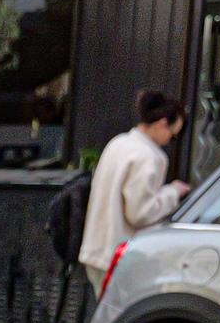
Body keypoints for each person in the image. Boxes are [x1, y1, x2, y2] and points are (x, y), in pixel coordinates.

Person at [79, 90, 190, 296]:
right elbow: (140, 213)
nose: (170, 141)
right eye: (173, 136)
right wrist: (172, 193)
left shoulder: (119, 143)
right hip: (119, 256)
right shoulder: (148, 156)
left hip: (98, 250)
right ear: (162, 123)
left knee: (107, 318)